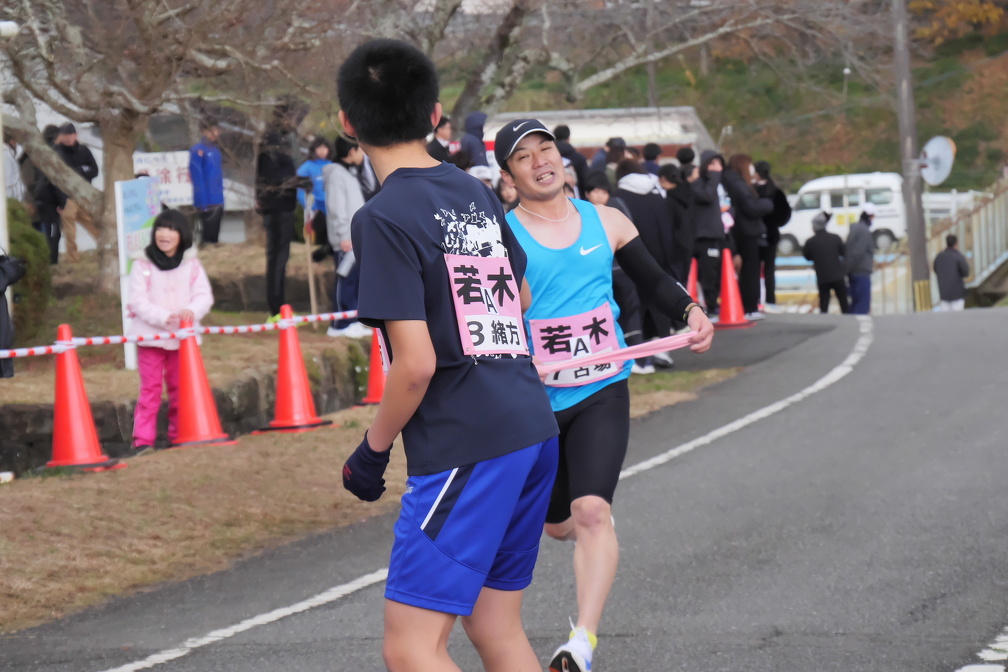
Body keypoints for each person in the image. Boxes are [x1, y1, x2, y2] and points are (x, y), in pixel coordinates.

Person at [336, 39, 560, 672]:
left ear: (348, 123)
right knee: (496, 627)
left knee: (411, 647)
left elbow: (415, 364)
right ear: (435, 115)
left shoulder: (381, 217)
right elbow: (519, 295)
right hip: (529, 425)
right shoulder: (472, 190)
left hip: (467, 444)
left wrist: (372, 451)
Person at [495, 118, 714, 672]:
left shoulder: (607, 220)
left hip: (602, 387)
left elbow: (654, 280)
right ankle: (586, 523)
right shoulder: (501, 236)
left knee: (591, 510)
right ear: (509, 176)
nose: (540, 161)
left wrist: (691, 311)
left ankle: (582, 643)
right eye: (524, 157)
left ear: (562, 158)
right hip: (536, 400)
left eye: (546, 149)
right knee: (558, 524)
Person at [125, 209, 213, 454]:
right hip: (150, 338)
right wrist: (163, 317)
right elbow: (137, 300)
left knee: (180, 389)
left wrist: (190, 312)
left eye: (172, 229)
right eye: (160, 229)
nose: (165, 234)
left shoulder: (192, 264)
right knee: (150, 390)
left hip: (183, 340)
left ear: (182, 234)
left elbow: (203, 295)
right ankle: (142, 441)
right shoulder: (142, 263)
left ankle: (179, 434)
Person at [323, 135, 369, 338]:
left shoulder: (348, 173)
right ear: (351, 151)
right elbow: (336, 208)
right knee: (346, 280)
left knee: (355, 280)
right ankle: (339, 324)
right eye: (360, 150)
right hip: (346, 238)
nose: (363, 155)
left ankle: (352, 320)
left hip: (354, 237)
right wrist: (343, 234)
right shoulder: (336, 175)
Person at [254, 131, 299, 320]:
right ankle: (277, 307)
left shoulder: (269, 156)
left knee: (279, 260)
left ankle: (279, 305)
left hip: (279, 211)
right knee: (277, 260)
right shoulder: (270, 157)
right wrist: (296, 180)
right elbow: (277, 181)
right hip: (278, 212)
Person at [723, 154, 773, 320]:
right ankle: (750, 307)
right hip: (746, 232)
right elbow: (751, 207)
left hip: (740, 231)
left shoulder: (731, 181)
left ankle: (748, 306)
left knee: (747, 270)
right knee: (750, 271)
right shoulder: (739, 184)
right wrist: (767, 204)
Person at [690, 150, 727, 318]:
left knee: (714, 273)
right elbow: (707, 196)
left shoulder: (722, 183)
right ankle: (710, 307)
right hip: (703, 236)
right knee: (707, 274)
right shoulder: (701, 183)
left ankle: (713, 306)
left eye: (719, 164)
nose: (717, 168)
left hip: (717, 234)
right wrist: (713, 177)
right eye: (712, 164)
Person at [56, 123, 99, 261]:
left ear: (76, 135)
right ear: (61, 136)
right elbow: (59, 176)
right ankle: (72, 257)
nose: (68, 138)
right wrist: (60, 201)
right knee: (69, 231)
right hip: (67, 197)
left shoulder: (84, 150)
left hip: (84, 196)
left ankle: (105, 250)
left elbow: (94, 170)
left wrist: (81, 170)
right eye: (65, 135)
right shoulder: (57, 152)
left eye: (71, 134)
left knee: (94, 225)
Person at [754, 160, 791, 312]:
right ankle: (771, 301)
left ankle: (755, 301)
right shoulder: (776, 191)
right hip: (772, 235)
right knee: (769, 270)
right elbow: (786, 214)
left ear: (756, 173)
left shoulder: (751, 190)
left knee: (754, 269)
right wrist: (775, 224)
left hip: (754, 235)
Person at [802, 211, 849, 314]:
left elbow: (807, 257)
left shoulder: (810, 242)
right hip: (838, 276)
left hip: (822, 277)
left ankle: (824, 320)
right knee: (844, 304)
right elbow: (844, 252)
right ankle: (848, 321)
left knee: (824, 306)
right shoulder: (835, 238)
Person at [189, 119, 225, 245]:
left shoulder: (216, 151)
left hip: (217, 198)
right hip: (206, 199)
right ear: (203, 132)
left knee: (215, 233)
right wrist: (203, 202)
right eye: (211, 130)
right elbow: (197, 177)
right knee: (207, 235)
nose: (215, 133)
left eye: (216, 130)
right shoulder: (197, 150)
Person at [297, 136, 332, 253]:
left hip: (332, 207)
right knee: (320, 237)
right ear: (314, 149)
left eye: (324, 147)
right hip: (316, 209)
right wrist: (311, 207)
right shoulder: (306, 167)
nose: (322, 150)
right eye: (319, 148)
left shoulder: (332, 165)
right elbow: (299, 190)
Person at [846, 202, 876, 314]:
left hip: (854, 272)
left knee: (855, 302)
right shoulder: (863, 231)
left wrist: (847, 269)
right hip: (861, 272)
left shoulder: (855, 229)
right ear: (869, 216)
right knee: (862, 306)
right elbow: (858, 252)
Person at [933, 234, 970, 311]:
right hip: (957, 294)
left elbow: (935, 269)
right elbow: (965, 272)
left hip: (944, 294)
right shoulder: (958, 256)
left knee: (946, 317)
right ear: (956, 243)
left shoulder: (939, 257)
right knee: (957, 316)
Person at [553, 124, 589, 196]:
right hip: (577, 197)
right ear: (569, 138)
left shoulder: (551, 157)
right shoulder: (579, 157)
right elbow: (585, 181)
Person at [3, 133, 25, 201]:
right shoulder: (5, 154)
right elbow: (8, 180)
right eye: (15, 140)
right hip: (11, 195)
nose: (16, 143)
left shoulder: (12, 151)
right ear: (11, 141)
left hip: (15, 194)